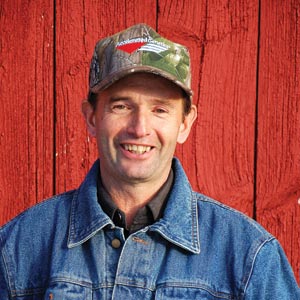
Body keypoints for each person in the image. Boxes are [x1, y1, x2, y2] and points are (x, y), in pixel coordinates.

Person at [0, 23, 299, 300]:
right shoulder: (18, 247)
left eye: (160, 109)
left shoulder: (249, 256)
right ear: (92, 118)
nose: (140, 128)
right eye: (121, 105)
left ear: (184, 123)